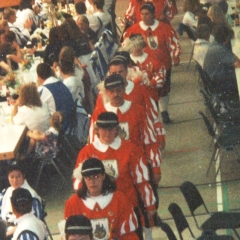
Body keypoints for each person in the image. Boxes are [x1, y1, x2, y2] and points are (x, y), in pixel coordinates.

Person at [74, 112, 157, 239]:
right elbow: (78, 183)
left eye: (111, 129)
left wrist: (150, 205)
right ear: (97, 130)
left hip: (127, 207)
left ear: (117, 130)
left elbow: (142, 180)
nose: (107, 133)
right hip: (97, 212)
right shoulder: (86, 152)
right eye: (103, 130)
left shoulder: (130, 149)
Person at [124, 2, 181, 124]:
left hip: (163, 65)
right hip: (142, 68)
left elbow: (174, 42)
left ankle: (164, 111)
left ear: (153, 14)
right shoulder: (133, 30)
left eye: (147, 14)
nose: (144, 16)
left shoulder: (164, 28)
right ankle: (148, 117)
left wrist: (175, 56)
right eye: (142, 14)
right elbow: (125, 45)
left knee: (164, 90)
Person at [65, 158, 139, 240]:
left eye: (96, 177)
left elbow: (129, 235)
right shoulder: (72, 203)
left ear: (103, 176)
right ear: (83, 179)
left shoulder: (120, 199)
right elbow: (68, 236)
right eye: (88, 178)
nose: (92, 182)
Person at [203, 23, 240, 101]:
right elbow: (237, 63)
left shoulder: (215, 45)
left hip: (215, 78)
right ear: (226, 39)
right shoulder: (219, 50)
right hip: (220, 82)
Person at [0, 161, 43, 226]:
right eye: (12, 177)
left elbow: (36, 222)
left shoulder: (32, 196)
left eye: (18, 176)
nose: (15, 180)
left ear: (23, 175)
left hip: (23, 228)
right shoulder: (5, 192)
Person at [36, 63, 74, 132]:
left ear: (38, 77)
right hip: (70, 122)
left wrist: (38, 87)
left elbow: (34, 106)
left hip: (61, 128)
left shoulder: (44, 89)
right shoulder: (59, 82)